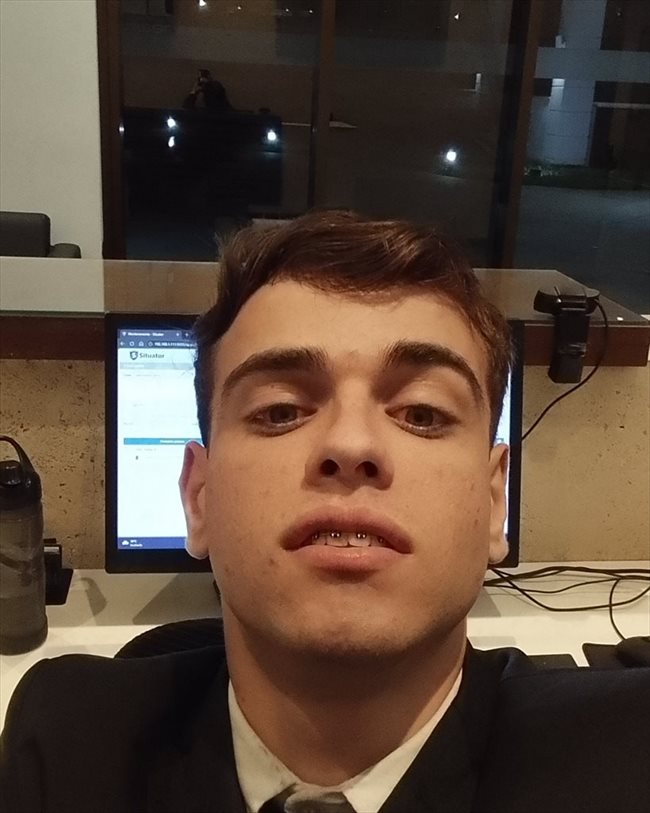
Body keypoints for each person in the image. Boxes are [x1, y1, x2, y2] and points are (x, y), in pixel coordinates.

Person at [0, 211, 648, 813]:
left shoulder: (628, 755)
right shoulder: (63, 747)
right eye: (281, 411)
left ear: (493, 501)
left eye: (423, 414)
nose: (351, 445)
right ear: (198, 498)